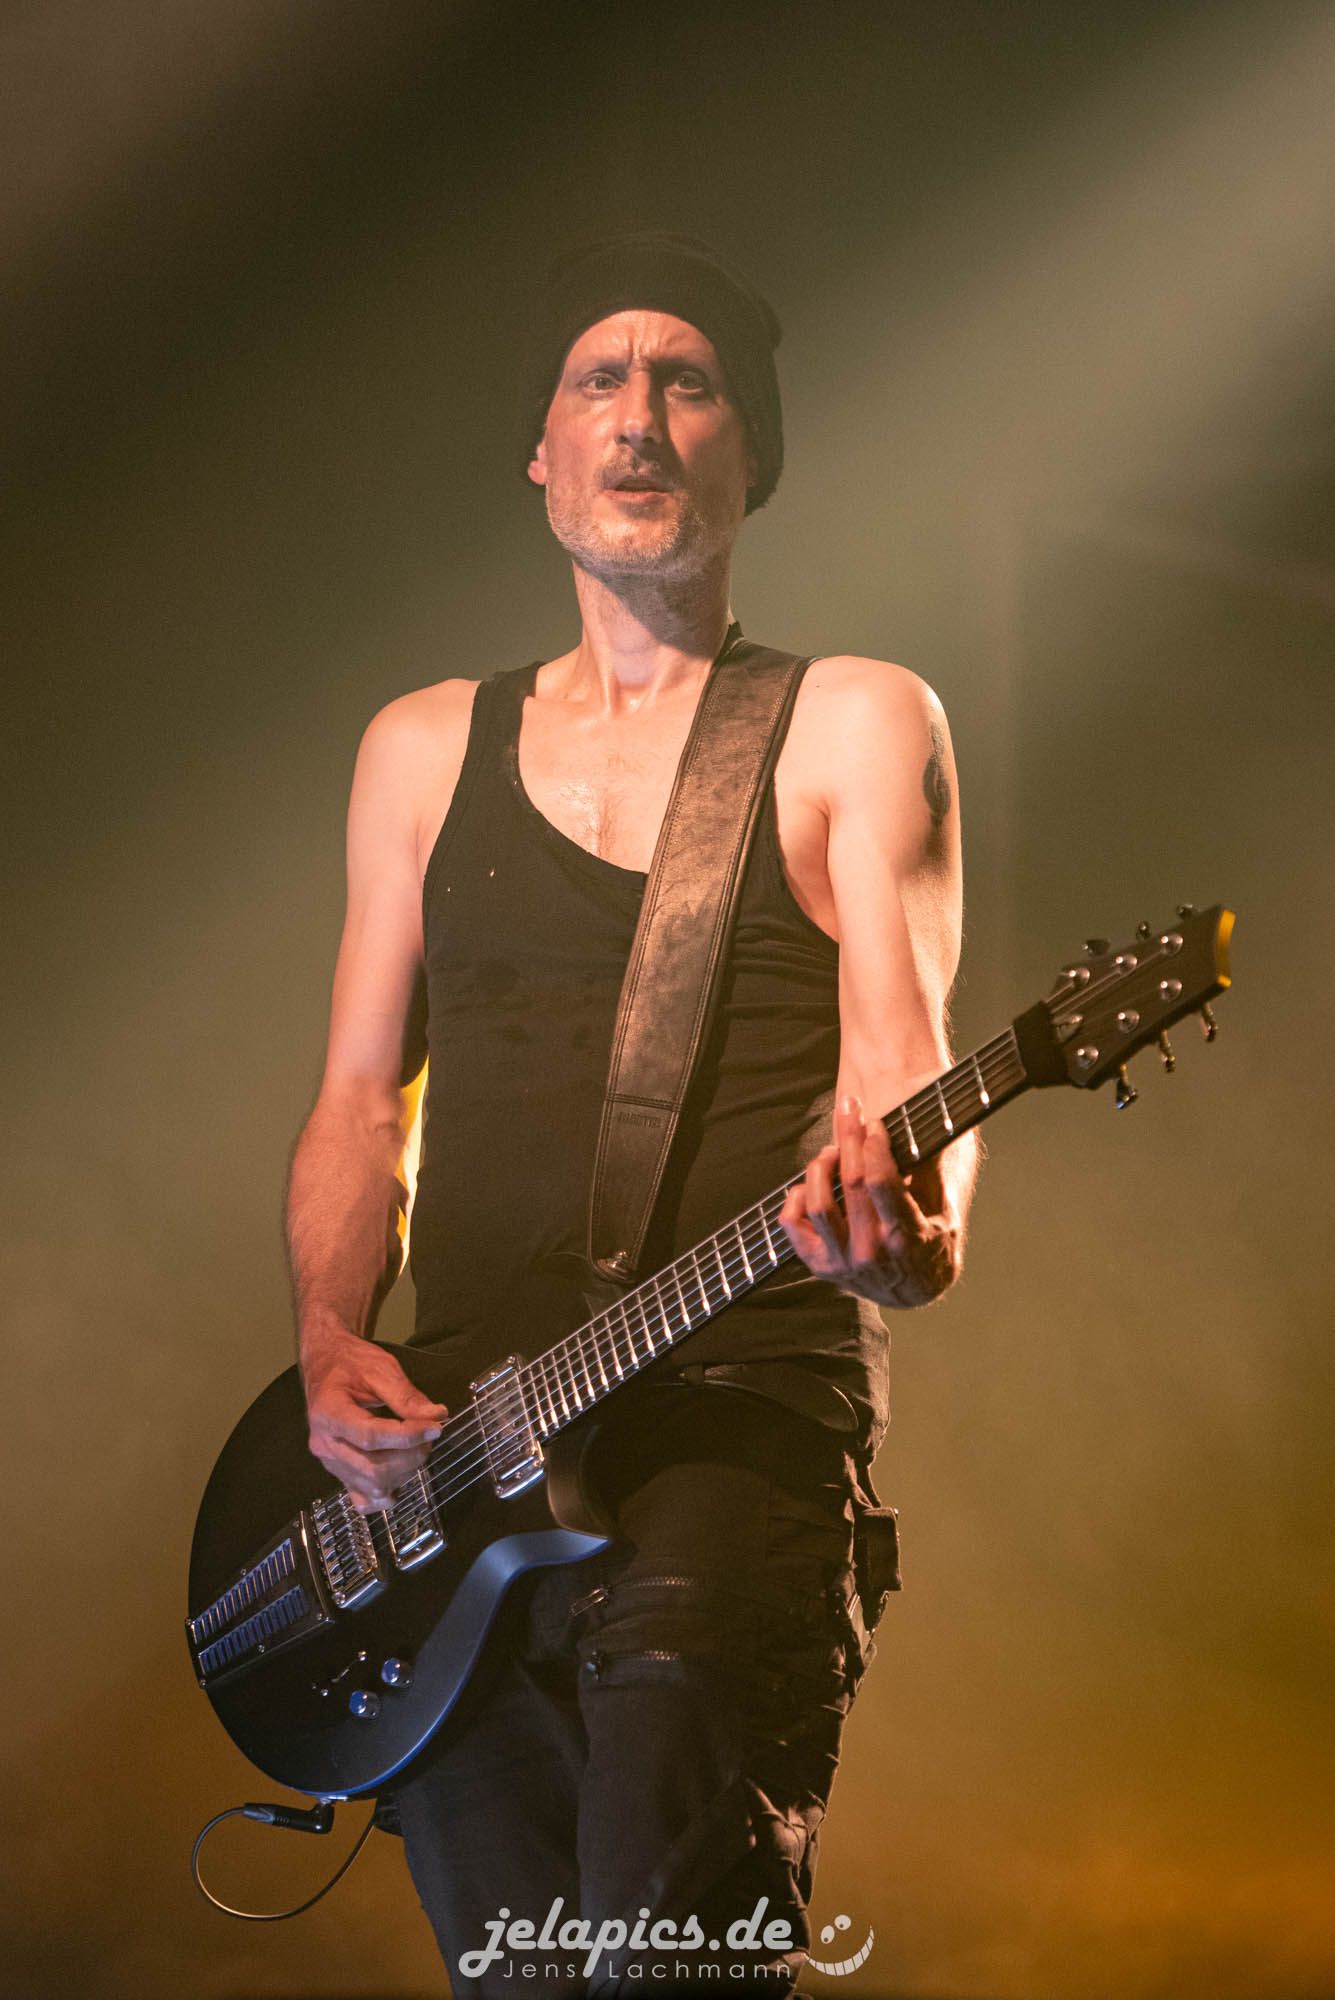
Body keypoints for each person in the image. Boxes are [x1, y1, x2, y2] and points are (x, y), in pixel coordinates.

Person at [284, 231, 978, 1996]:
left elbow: (903, 1068)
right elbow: (361, 1096)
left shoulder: (851, 722)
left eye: (688, 383)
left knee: (667, 1964)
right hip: (469, 1460)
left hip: (733, 1417)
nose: (640, 417)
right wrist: (327, 1339)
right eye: (600, 378)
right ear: (541, 449)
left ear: (753, 452)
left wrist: (916, 1231)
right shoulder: (421, 748)